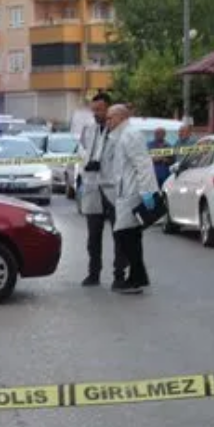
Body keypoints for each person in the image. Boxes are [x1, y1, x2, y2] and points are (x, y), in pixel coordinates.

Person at [101, 104, 160, 294]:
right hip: (125, 191)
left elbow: (142, 164)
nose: (107, 121)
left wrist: (147, 192)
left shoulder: (131, 135)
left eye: (110, 118)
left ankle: (137, 277)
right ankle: (137, 277)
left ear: (120, 117)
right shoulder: (121, 136)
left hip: (133, 192)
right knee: (131, 235)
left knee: (124, 234)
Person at [77, 93, 123, 288]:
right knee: (93, 237)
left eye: (100, 109)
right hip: (93, 187)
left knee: (119, 235)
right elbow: (81, 150)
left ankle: (119, 275)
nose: (96, 113)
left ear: (109, 109)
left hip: (114, 189)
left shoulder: (120, 132)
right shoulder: (88, 129)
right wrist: (87, 163)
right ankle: (93, 273)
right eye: (93, 110)